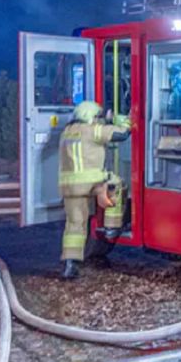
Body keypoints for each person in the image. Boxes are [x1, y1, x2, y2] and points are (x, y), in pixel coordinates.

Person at [58, 100, 131, 279]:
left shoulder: (67, 132)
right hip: (92, 182)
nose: (99, 119)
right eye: (97, 116)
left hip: (69, 186)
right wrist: (126, 120)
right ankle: (111, 228)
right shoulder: (93, 130)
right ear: (90, 117)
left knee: (74, 224)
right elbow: (122, 135)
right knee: (117, 184)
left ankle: (70, 264)